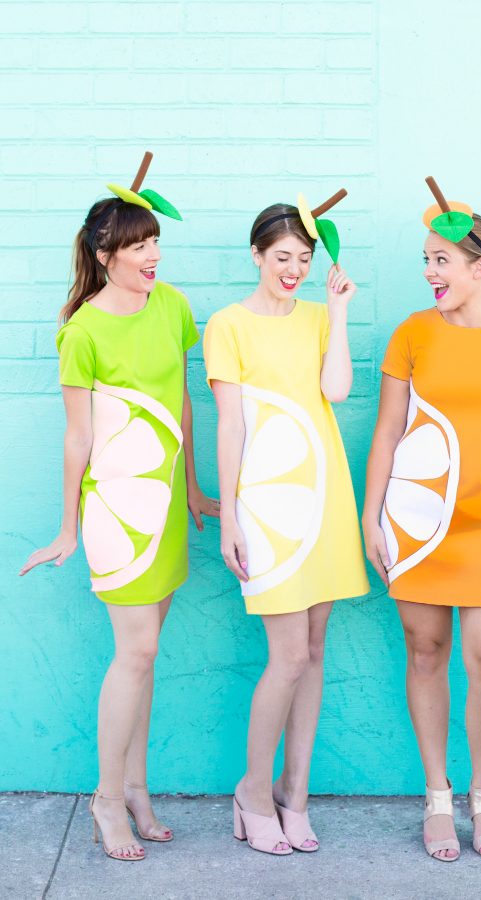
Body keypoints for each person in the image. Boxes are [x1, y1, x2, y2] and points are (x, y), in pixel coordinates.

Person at [20, 163, 219, 861]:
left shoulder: (172, 307)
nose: (152, 256)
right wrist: (68, 526)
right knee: (136, 651)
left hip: (166, 506)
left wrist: (193, 489)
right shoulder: (82, 332)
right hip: (115, 508)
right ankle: (107, 800)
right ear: (105, 257)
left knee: (147, 654)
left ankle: (135, 788)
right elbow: (79, 436)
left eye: (155, 241)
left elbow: (183, 403)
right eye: (137, 247)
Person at [362, 178, 481, 862]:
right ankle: (438, 795)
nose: (428, 272)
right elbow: (386, 435)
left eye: (440, 261)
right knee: (426, 654)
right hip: (417, 528)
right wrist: (371, 520)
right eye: (425, 260)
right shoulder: (413, 334)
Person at [203, 193, 369, 855]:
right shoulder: (227, 325)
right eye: (282, 257)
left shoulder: (315, 315)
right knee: (288, 655)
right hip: (270, 509)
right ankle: (252, 788)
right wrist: (231, 517)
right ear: (256, 254)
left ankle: (294, 796)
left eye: (303, 258)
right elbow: (231, 424)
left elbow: (335, 391)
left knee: (317, 650)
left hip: (325, 495)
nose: (293, 268)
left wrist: (337, 310)